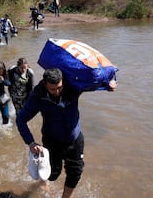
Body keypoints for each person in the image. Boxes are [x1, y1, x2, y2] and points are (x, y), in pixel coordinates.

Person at [16, 68, 116, 198]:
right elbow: (21, 119)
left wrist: (108, 84)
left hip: (74, 139)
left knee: (75, 173)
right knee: (52, 174)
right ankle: (43, 181)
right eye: (53, 89)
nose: (57, 92)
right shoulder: (38, 97)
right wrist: (30, 142)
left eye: (59, 87)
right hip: (52, 141)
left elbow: (92, 82)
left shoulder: (73, 87)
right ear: (45, 84)